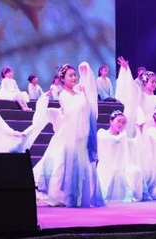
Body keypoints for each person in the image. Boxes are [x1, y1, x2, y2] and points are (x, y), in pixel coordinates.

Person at [32, 63, 104, 207]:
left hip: (82, 132)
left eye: (74, 75)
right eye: (70, 75)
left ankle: (80, 196)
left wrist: (84, 72)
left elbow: (89, 99)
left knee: (82, 165)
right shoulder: (63, 95)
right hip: (70, 133)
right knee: (65, 165)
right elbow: (72, 112)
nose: (73, 78)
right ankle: (65, 196)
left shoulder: (80, 91)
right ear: (62, 78)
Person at [96, 110, 144, 203]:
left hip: (121, 168)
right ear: (111, 121)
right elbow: (112, 140)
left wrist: (139, 129)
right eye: (118, 121)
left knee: (136, 170)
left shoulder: (123, 136)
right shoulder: (102, 133)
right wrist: (122, 135)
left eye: (123, 122)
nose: (121, 124)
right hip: (106, 168)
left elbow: (134, 143)